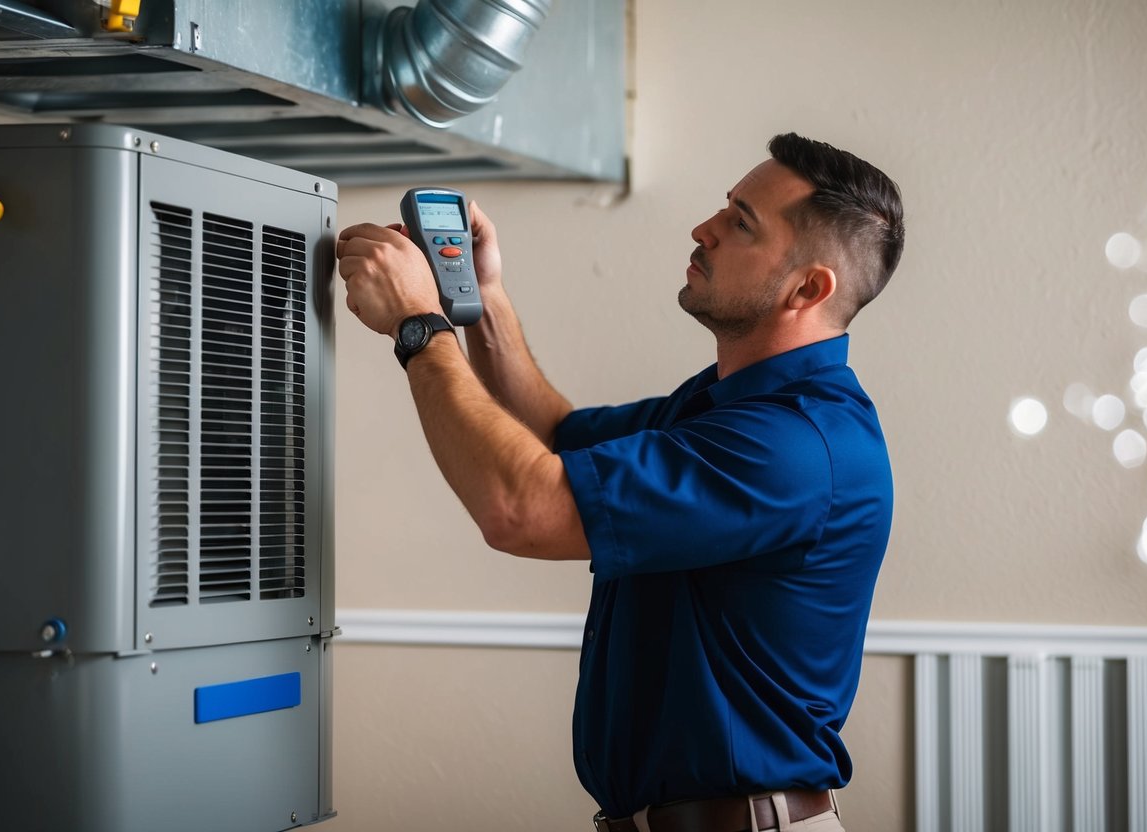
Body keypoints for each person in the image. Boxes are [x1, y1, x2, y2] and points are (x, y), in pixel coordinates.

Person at [336, 132, 905, 832]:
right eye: (724, 207)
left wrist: (420, 327)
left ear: (807, 287)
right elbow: (554, 434)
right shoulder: (722, 408)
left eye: (740, 223)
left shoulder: (793, 447)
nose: (704, 229)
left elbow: (520, 508)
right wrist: (481, 295)